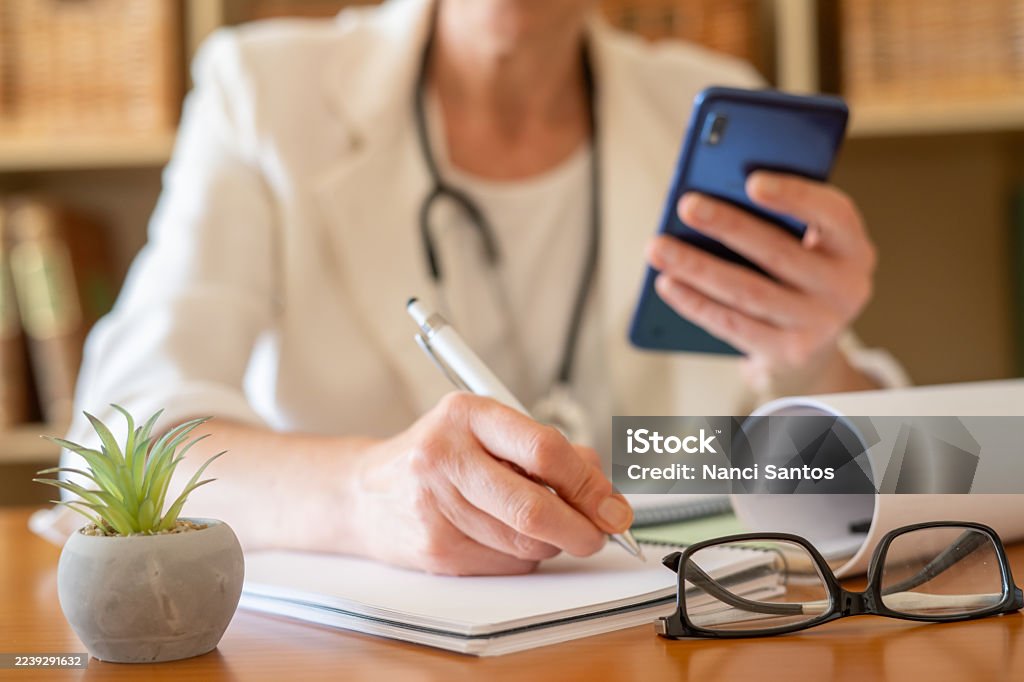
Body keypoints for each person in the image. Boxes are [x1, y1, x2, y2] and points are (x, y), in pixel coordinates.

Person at [64, 0, 906, 575]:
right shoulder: (262, 94)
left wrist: (810, 358)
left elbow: (877, 473)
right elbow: (126, 440)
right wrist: (370, 493)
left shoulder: (702, 102)